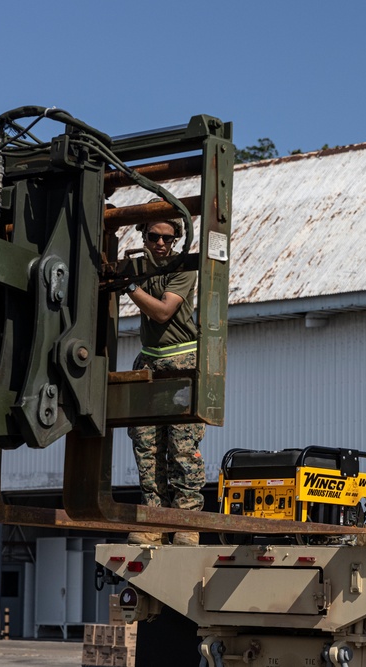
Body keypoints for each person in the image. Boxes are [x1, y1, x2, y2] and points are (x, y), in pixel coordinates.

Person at [125, 211, 205, 546]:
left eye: (167, 238)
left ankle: (186, 522)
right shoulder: (138, 267)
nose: (160, 244)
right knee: (147, 446)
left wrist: (127, 285)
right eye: (153, 237)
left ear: (175, 241)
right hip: (150, 361)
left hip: (181, 360)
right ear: (142, 236)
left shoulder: (184, 268)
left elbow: (161, 311)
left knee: (181, 445)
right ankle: (155, 521)